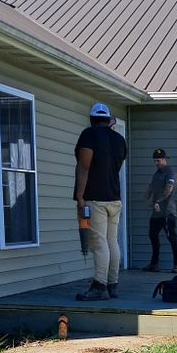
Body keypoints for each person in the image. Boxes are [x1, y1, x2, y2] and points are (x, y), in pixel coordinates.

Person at [73, 102, 127, 301]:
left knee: (98, 242)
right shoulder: (120, 140)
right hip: (114, 198)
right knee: (112, 241)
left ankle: (99, 286)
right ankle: (112, 284)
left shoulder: (89, 135)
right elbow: (115, 168)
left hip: (95, 198)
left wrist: (80, 196)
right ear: (108, 119)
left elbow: (84, 167)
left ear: (92, 119)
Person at [142, 148, 177, 273]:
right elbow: (151, 187)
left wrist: (158, 201)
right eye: (155, 160)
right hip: (156, 213)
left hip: (167, 212)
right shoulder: (157, 173)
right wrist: (148, 198)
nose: (156, 163)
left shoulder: (169, 173)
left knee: (171, 237)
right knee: (152, 236)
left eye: (158, 160)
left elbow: (168, 189)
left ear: (165, 160)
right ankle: (154, 264)